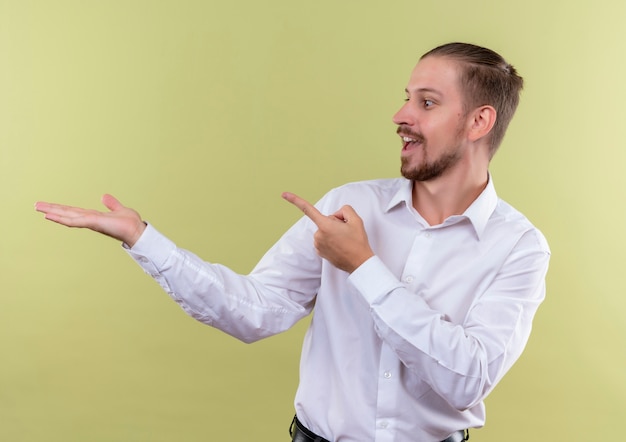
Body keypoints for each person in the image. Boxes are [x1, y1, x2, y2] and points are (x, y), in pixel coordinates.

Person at [35, 42, 550, 442]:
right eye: (406, 96)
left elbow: (469, 378)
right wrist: (143, 239)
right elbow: (254, 311)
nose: (400, 115)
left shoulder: (520, 247)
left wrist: (364, 266)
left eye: (427, 102)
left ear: (479, 121)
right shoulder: (349, 207)